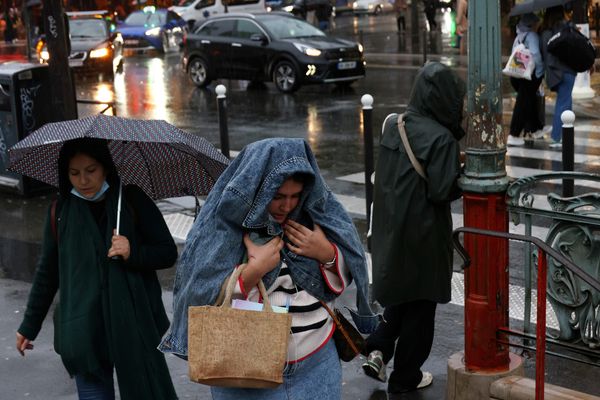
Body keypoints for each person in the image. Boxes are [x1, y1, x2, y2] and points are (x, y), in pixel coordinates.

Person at [159, 137, 378, 400]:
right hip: (244, 370)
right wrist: (254, 271)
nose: (287, 206)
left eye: (295, 196)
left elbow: (338, 285)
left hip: (317, 364)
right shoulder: (223, 228)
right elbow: (202, 302)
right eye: (277, 196)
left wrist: (327, 254)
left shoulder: (313, 219)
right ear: (258, 189)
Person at [15, 138, 178, 400]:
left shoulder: (132, 200)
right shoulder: (60, 211)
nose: (83, 181)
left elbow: (167, 252)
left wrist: (132, 251)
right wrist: (28, 326)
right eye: (74, 173)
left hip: (132, 324)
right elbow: (48, 273)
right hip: (84, 330)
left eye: (91, 170)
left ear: (105, 168)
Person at [362, 62, 465, 394]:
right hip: (423, 234)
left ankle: (377, 348)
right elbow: (441, 190)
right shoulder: (442, 139)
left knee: (400, 297)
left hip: (392, 229)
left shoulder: (397, 124)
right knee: (420, 309)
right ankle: (406, 376)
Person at [540, 5, 576, 149]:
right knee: (564, 104)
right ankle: (557, 136)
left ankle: (563, 135)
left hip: (555, 73)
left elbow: (545, 55)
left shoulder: (546, 33)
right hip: (569, 71)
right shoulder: (567, 29)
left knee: (564, 103)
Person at [507, 13, 545, 147]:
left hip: (516, 75)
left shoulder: (519, 36)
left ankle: (536, 129)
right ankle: (514, 134)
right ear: (532, 24)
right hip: (529, 76)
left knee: (530, 100)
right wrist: (540, 71)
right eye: (537, 23)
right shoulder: (532, 36)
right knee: (523, 104)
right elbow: (535, 54)